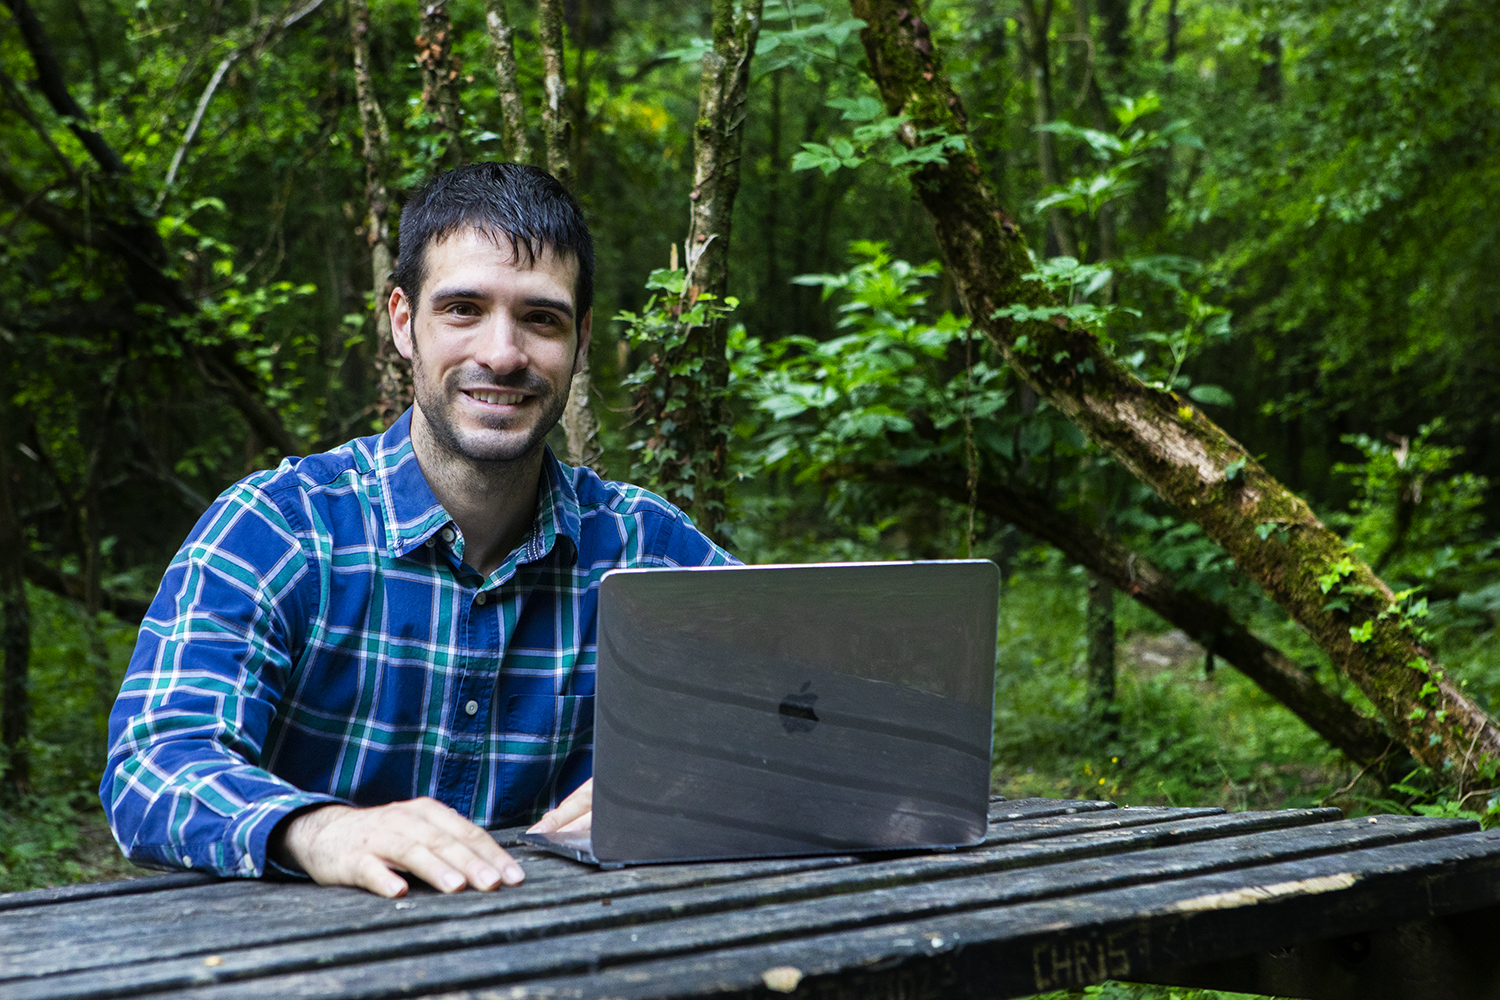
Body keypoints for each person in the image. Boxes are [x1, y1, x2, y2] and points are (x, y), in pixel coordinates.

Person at [100, 162, 734, 898]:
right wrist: (320, 828)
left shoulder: (647, 551)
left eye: (541, 318)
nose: (502, 353)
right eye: (463, 309)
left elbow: (818, 710)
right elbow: (153, 764)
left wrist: (693, 781)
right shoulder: (279, 529)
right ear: (404, 322)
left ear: (581, 340)